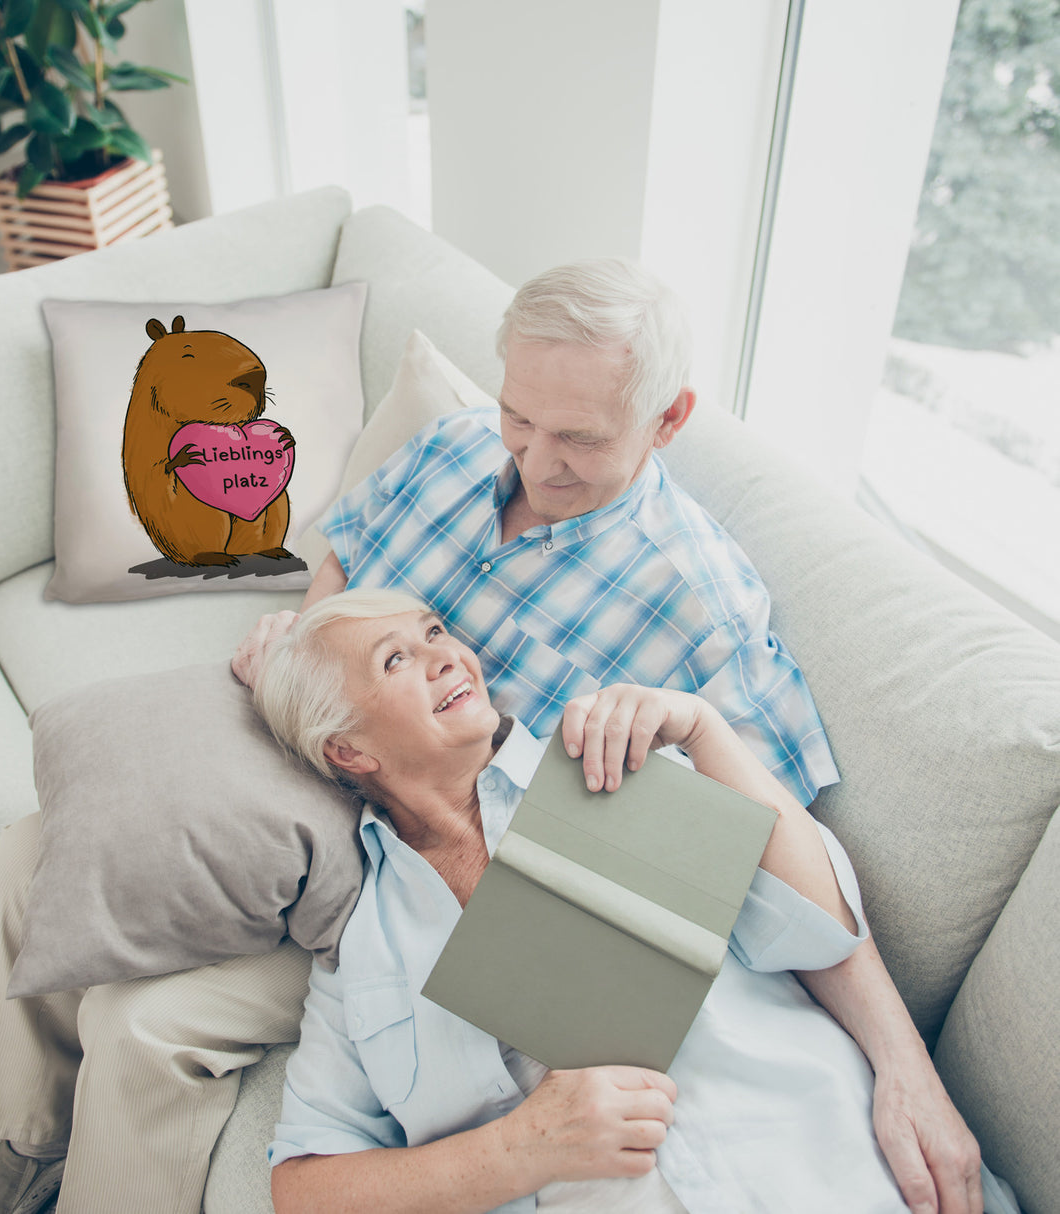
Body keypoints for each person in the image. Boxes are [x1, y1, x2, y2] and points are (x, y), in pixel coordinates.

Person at [235, 259, 982, 1212]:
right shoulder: (455, 450)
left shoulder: (674, 666)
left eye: (578, 438)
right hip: (342, 835)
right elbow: (346, 550)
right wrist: (309, 661)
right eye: (520, 418)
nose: (535, 462)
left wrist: (904, 1068)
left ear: (668, 419)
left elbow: (790, 885)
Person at [253, 588, 1007, 1214]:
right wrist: (520, 1149)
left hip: (832, 1168)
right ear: (348, 750)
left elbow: (819, 929)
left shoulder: (608, 762)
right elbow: (304, 1188)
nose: (447, 654)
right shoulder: (362, 951)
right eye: (397, 659)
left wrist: (705, 731)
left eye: (435, 632)